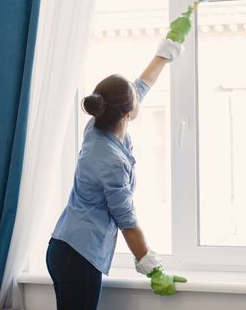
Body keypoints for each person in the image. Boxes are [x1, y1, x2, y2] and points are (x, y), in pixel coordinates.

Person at [46, 36, 188, 310]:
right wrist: (153, 270)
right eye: (135, 99)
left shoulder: (97, 126)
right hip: (78, 257)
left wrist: (168, 47)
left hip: (63, 248)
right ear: (127, 113)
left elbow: (141, 85)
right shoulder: (110, 162)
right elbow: (127, 221)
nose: (139, 96)